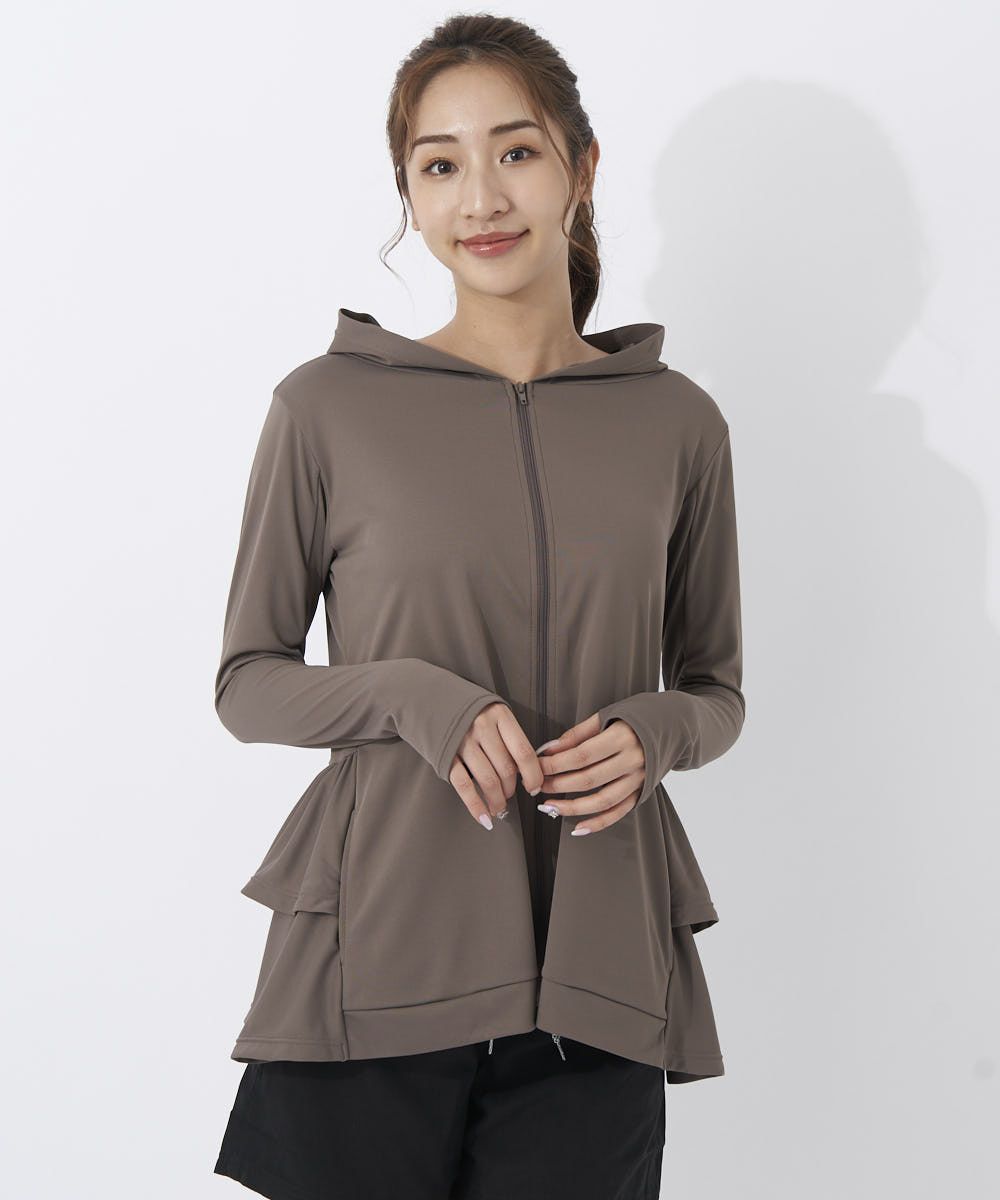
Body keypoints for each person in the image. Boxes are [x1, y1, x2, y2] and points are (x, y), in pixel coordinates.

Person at [213, 12, 746, 1200]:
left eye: (515, 151)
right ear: (408, 194)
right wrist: (412, 697)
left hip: (596, 971)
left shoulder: (677, 422)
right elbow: (247, 684)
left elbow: (716, 691)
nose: (481, 198)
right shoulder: (326, 408)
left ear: (580, 167)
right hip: (374, 960)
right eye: (439, 165)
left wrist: (655, 732)